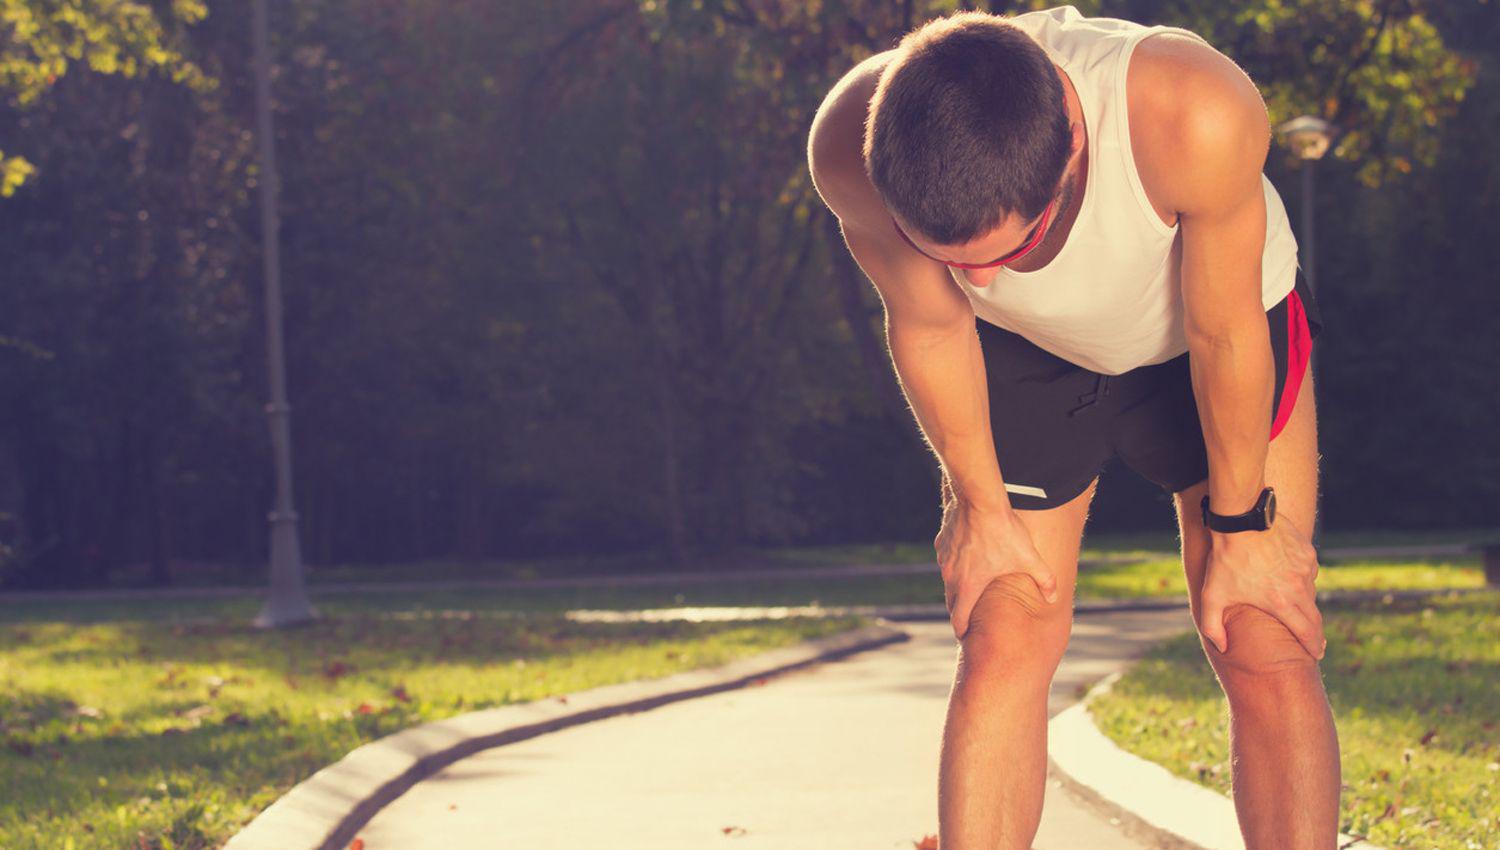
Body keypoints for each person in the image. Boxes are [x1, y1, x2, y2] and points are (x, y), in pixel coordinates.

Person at [806, 6, 1338, 850]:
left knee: (1257, 628)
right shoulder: (849, 145)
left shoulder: (1191, 110)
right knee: (1005, 624)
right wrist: (978, 508)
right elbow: (937, 326)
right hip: (1024, 353)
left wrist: (1240, 529)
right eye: (954, 259)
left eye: (1008, 251)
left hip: (1209, 334)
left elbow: (1224, 333)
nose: (978, 276)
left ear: (1075, 147)